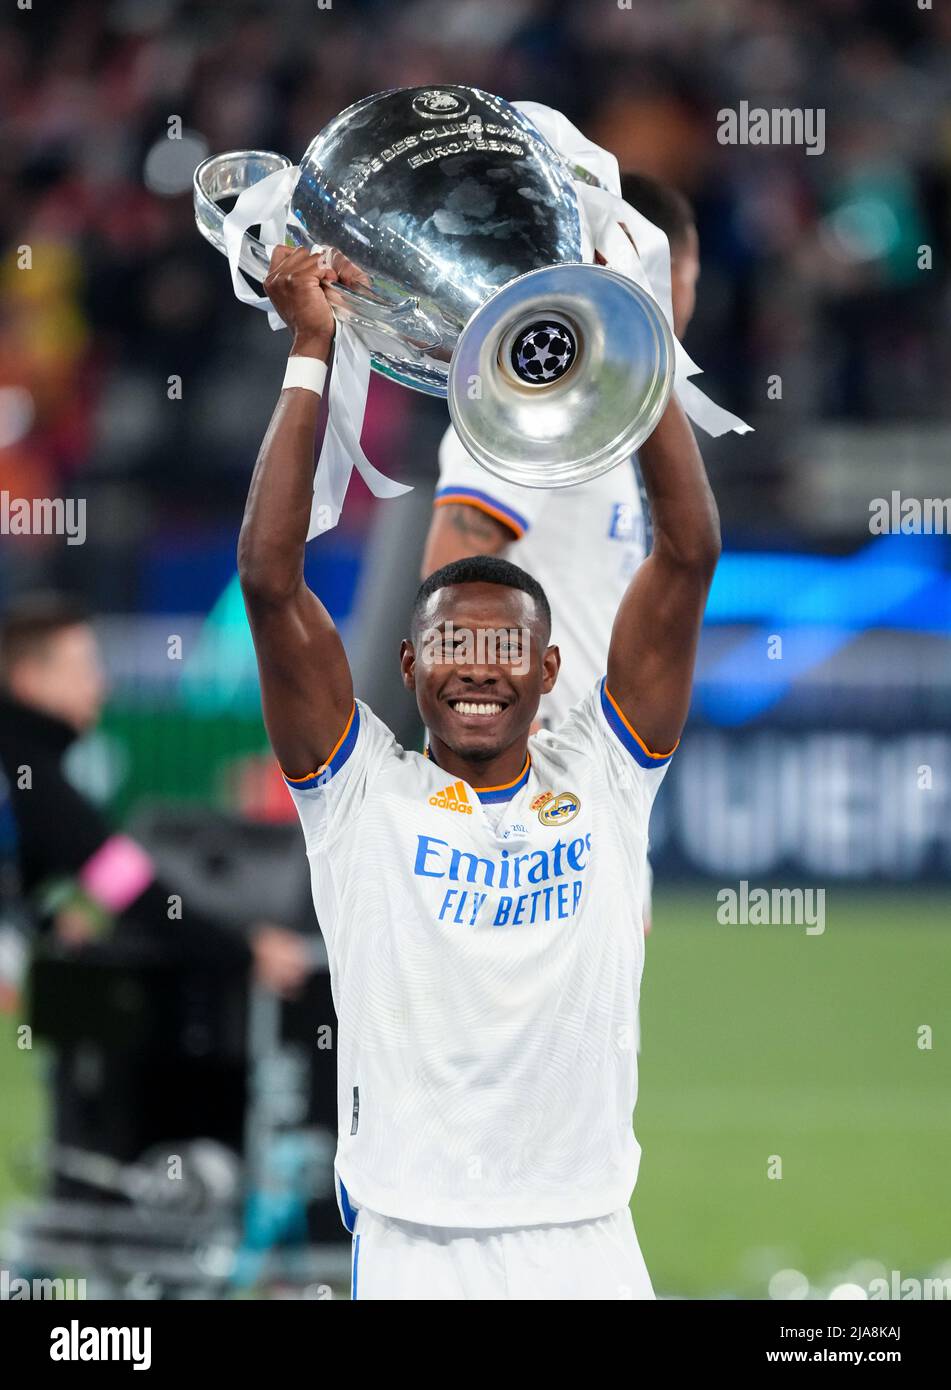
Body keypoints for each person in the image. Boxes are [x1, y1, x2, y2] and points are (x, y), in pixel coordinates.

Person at [237, 245, 720, 1300]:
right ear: (409, 665)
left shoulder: (605, 768)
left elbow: (686, 556)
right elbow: (271, 585)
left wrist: (634, 338)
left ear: (550, 669)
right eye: (452, 645)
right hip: (421, 1251)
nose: (478, 670)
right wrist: (311, 351)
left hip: (591, 1241)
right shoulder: (358, 790)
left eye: (506, 648)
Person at [422, 174, 700, 733]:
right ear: (662, 270)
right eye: (692, 276)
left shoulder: (601, 422)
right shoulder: (536, 406)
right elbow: (451, 571)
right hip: (523, 784)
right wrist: (507, 740)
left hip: (576, 781)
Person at [0, 593, 311, 996]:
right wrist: (247, 954)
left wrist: (46, 920)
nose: (100, 684)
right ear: (28, 678)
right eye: (82, 668)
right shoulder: (30, 771)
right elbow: (129, 886)